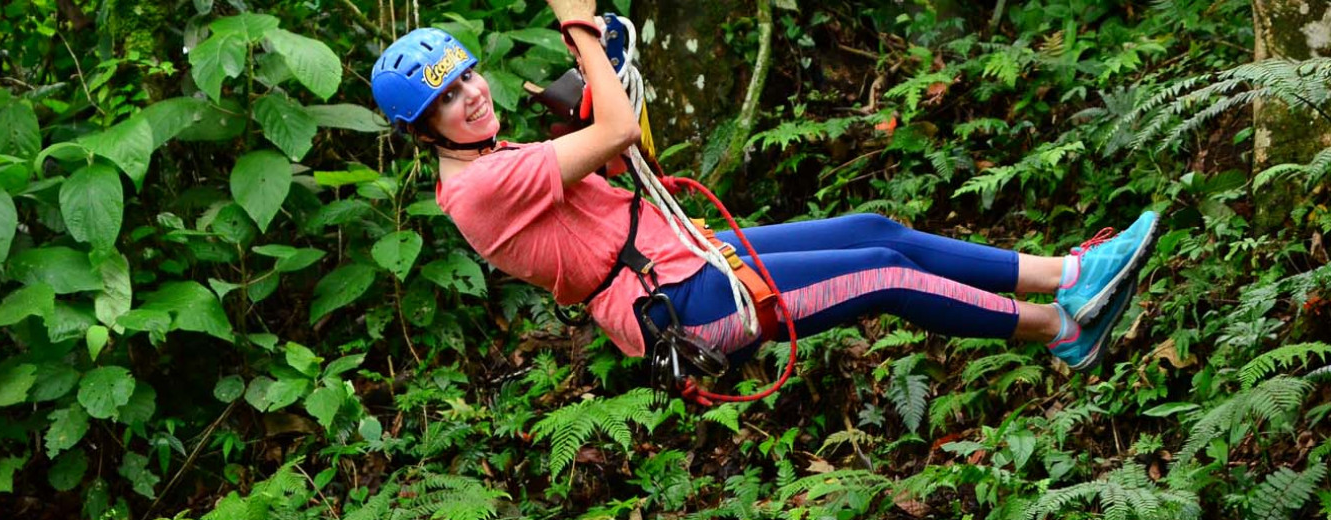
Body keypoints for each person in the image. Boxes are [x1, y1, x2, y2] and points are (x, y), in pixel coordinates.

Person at [367, 0, 1159, 377]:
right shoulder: (482, 185)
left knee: (874, 230)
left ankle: (1066, 275)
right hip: (690, 306)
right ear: (422, 128)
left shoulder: (497, 154)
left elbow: (622, 157)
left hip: (691, 259)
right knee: (883, 279)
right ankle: (1061, 327)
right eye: (447, 97)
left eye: (467, 77)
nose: (471, 95)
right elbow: (609, 137)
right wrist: (578, 27)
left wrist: (601, 78)